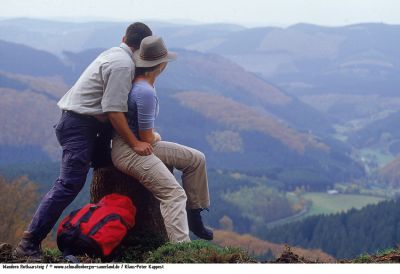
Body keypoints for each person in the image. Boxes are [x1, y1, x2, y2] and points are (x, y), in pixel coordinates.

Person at [13, 22, 153, 259]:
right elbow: (113, 111)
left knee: (110, 170)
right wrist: (135, 143)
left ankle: (98, 232)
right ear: (142, 50)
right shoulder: (122, 64)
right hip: (79, 127)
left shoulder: (114, 54)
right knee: (69, 184)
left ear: (124, 38)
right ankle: (29, 243)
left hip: (86, 125)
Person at [111, 36, 213, 243]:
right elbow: (146, 136)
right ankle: (181, 252)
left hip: (132, 144)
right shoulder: (146, 92)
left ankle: (194, 215)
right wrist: (156, 135)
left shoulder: (137, 83)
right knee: (174, 194)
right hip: (130, 150)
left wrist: (151, 138)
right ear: (162, 65)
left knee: (196, 159)